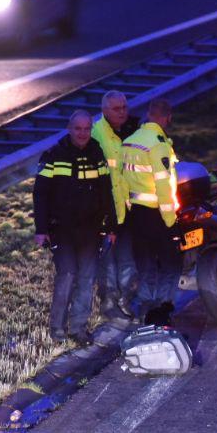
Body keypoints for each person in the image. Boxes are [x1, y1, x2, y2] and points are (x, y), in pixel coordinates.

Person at [33, 110, 116, 346]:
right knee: (67, 275)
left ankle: (78, 329)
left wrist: (111, 226)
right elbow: (40, 194)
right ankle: (57, 329)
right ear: (69, 129)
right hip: (62, 229)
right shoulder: (53, 155)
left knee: (87, 279)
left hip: (90, 230)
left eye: (86, 129)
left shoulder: (96, 154)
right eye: (78, 129)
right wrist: (41, 229)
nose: (82, 133)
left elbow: (106, 192)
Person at [119, 98, 180, 322]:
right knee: (171, 264)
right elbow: (164, 186)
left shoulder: (129, 142)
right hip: (157, 214)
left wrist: (126, 208)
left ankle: (145, 310)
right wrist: (170, 220)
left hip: (135, 214)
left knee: (145, 265)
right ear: (167, 118)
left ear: (148, 115)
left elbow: (121, 181)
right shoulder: (158, 145)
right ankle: (162, 311)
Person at [91, 90, 140, 320]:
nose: (122, 112)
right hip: (106, 208)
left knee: (128, 258)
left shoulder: (133, 130)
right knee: (108, 262)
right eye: (116, 109)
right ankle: (109, 304)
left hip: (129, 207)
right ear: (104, 111)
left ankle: (126, 300)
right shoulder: (96, 134)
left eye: (124, 107)